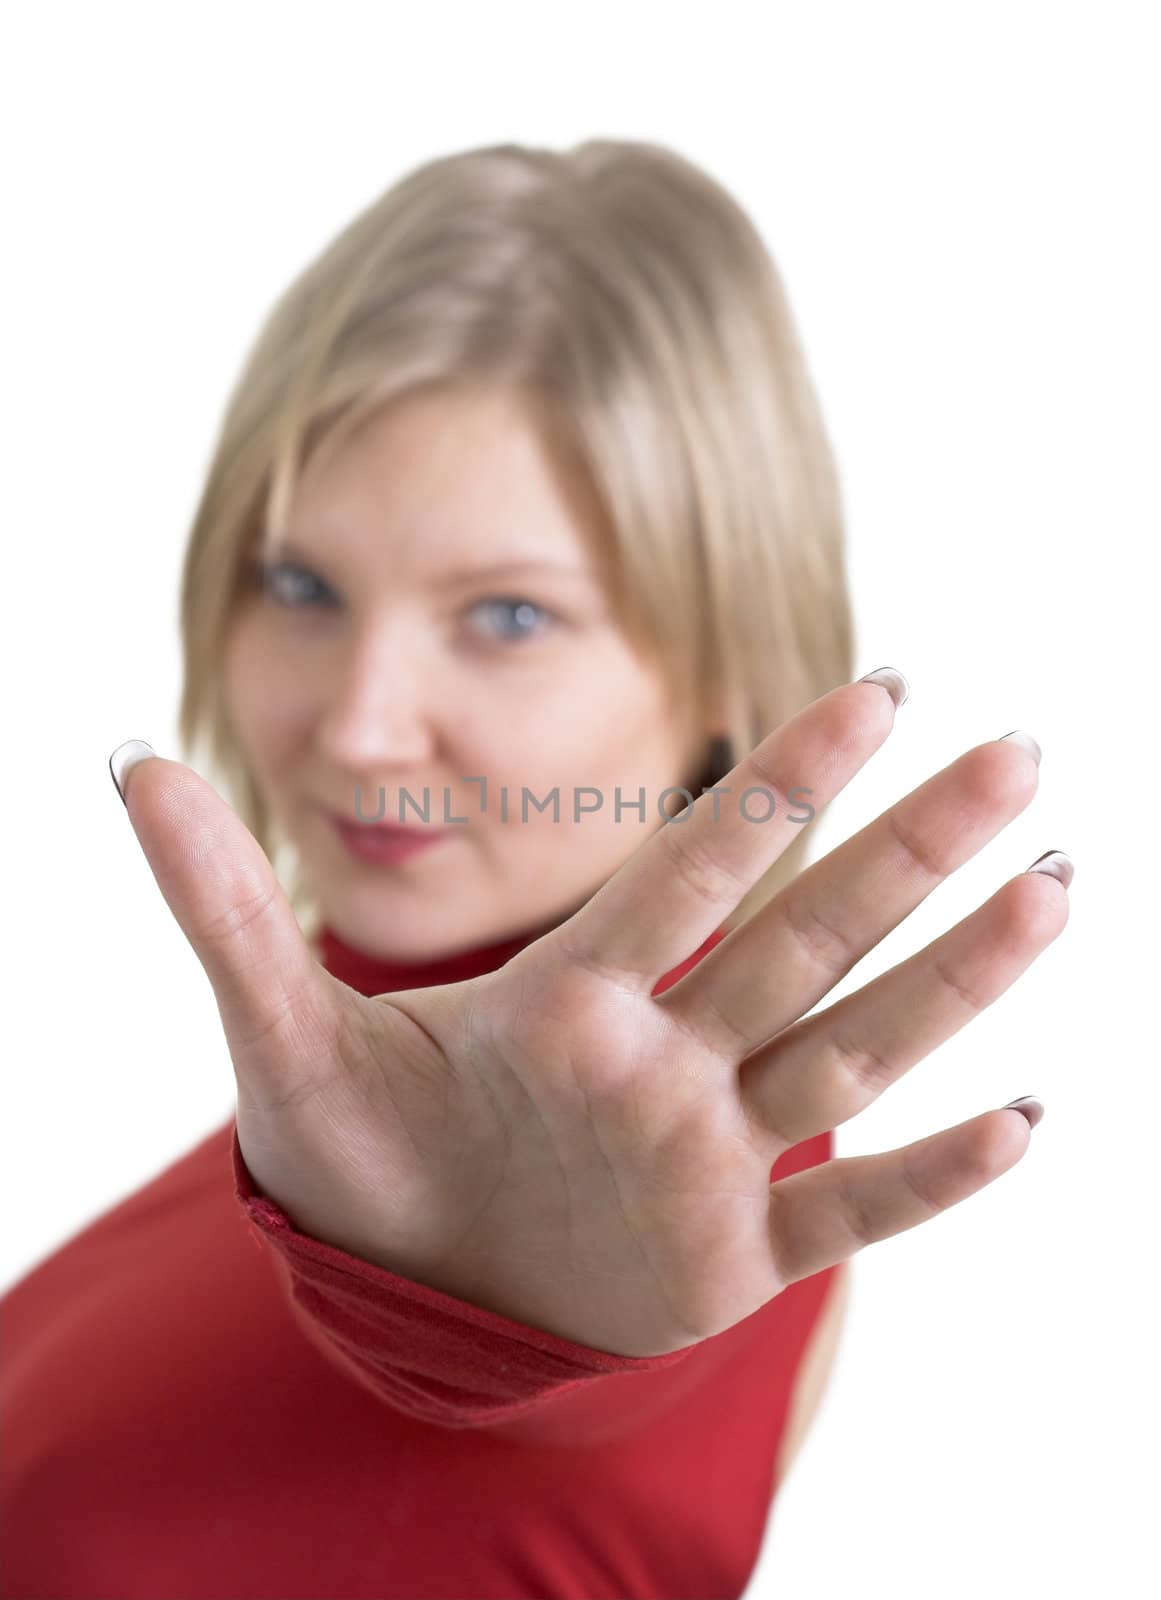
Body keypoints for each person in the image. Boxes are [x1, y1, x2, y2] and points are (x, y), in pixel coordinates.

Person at [0, 138, 1071, 1600]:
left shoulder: (673, 1181)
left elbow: (564, 1355)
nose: (361, 723)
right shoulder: (324, 1093)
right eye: (300, 586)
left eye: (505, 616)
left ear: (724, 667)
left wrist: (471, 1323)